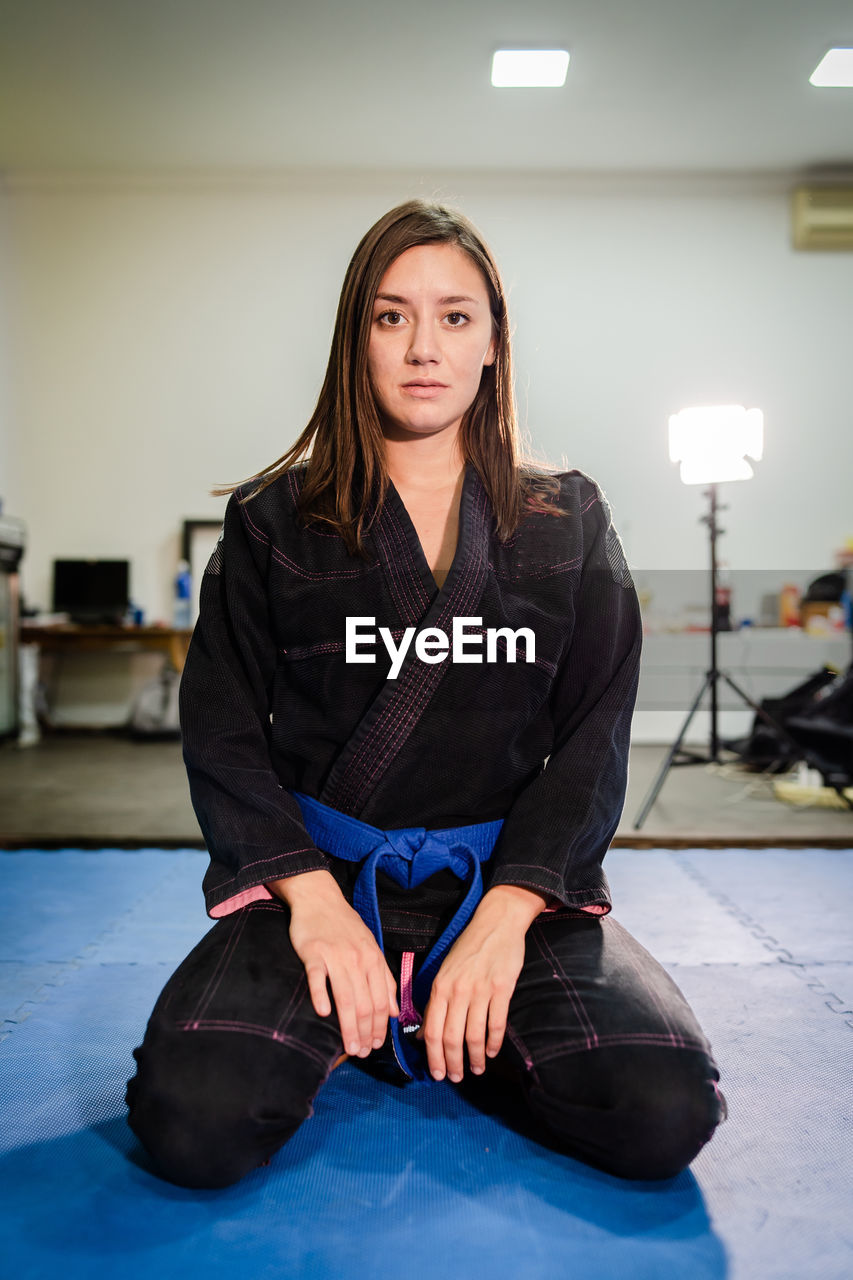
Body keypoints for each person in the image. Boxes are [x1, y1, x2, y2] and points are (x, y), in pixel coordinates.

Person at [125, 199, 726, 1189]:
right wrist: (312, 904)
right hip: (320, 884)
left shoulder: (566, 516)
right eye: (390, 314)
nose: (423, 347)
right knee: (194, 1122)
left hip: (507, 887)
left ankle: (444, 1016)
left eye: (455, 316)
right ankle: (389, 1008)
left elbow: (592, 739)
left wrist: (502, 922)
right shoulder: (273, 520)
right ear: (354, 337)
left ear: (493, 341)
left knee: (661, 1109)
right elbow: (224, 734)